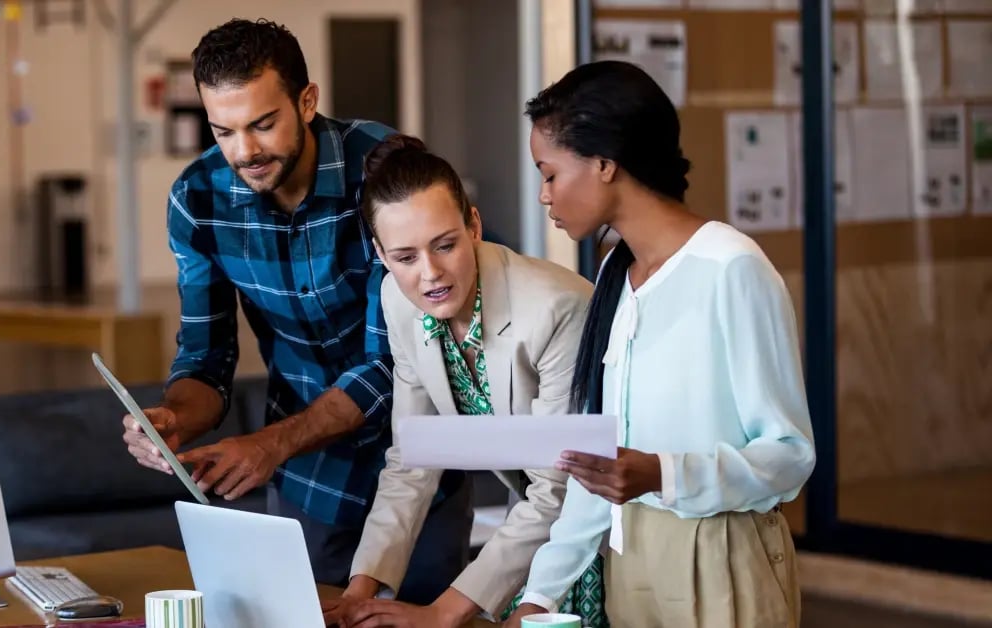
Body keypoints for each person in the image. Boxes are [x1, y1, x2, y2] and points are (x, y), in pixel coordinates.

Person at [119, 18, 471, 598]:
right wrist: (175, 419)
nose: (245, 151)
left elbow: (398, 358)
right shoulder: (198, 199)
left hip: (419, 459)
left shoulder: (385, 171)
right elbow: (206, 355)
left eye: (262, 124)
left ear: (307, 101)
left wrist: (269, 444)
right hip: (309, 477)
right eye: (223, 131)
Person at [505, 60, 816, 628]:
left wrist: (664, 474)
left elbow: (790, 457)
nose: (544, 195)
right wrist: (539, 596)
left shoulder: (732, 268)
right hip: (632, 563)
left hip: (721, 563)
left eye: (550, 173)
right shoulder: (613, 275)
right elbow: (600, 464)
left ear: (604, 164)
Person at [320, 135, 599, 628]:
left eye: (444, 245)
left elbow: (561, 486)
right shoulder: (397, 299)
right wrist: (360, 591)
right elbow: (413, 458)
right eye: (405, 257)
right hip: (529, 536)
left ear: (473, 225)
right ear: (381, 254)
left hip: (597, 530)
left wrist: (442, 613)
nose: (430, 274)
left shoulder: (556, 307)